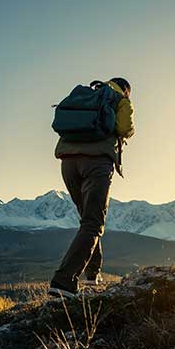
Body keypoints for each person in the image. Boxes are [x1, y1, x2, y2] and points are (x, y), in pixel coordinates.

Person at [49, 78, 134, 298]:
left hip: (68, 163)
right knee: (93, 223)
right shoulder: (121, 100)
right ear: (126, 91)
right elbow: (125, 128)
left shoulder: (86, 94)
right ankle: (64, 281)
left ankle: (92, 272)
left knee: (87, 219)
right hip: (96, 163)